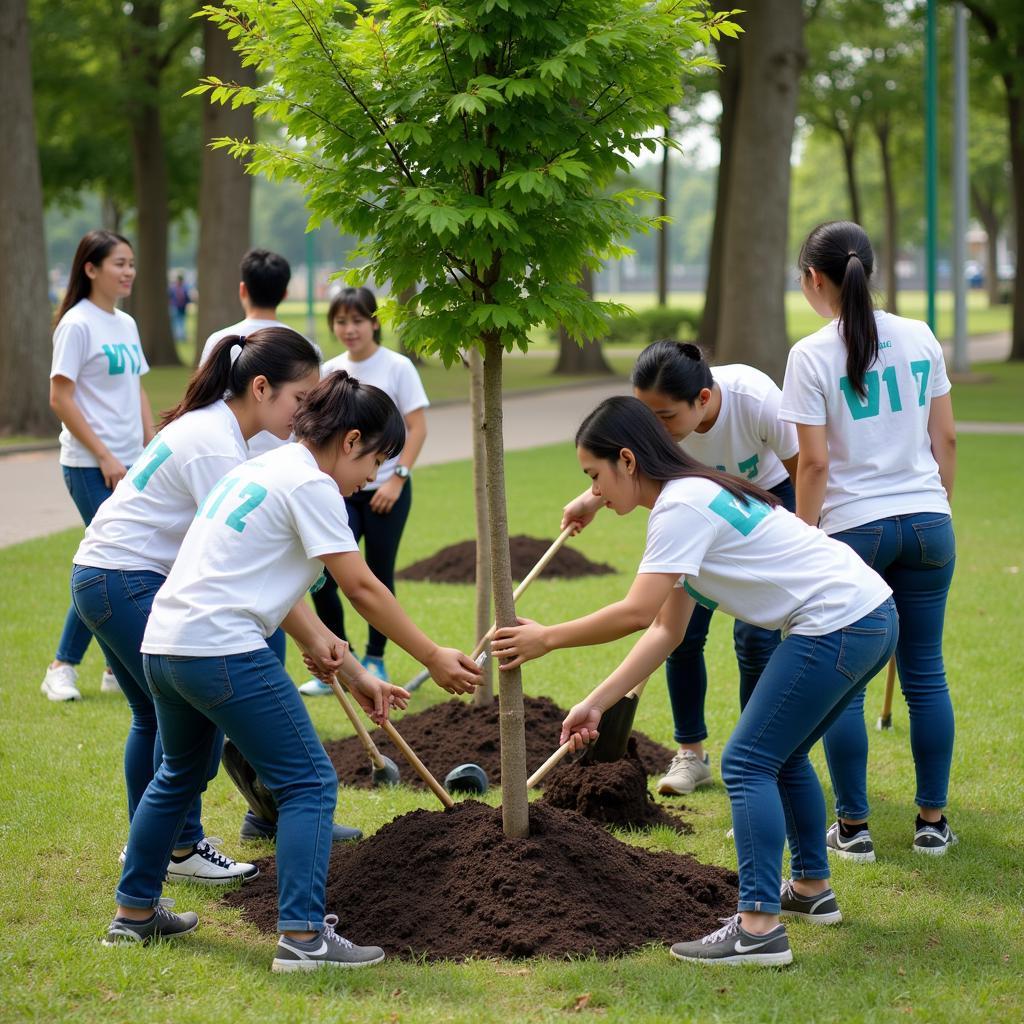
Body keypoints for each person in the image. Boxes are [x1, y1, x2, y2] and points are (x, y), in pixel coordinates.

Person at [492, 396, 896, 966]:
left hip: (838, 623)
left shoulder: (682, 507)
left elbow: (634, 612)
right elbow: (664, 631)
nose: (596, 491)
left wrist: (547, 637)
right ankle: (811, 889)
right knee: (783, 757)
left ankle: (757, 930)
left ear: (628, 461)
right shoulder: (695, 493)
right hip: (869, 616)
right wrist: (596, 703)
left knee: (746, 762)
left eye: (595, 476)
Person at [103, 371, 480, 969]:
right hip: (222, 648)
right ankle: (304, 939)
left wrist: (360, 676)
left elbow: (284, 595)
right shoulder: (314, 486)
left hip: (165, 644)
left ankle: (134, 915)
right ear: (351, 440)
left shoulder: (260, 468)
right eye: (377, 460)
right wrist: (432, 656)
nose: (371, 479)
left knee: (175, 773)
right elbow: (360, 586)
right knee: (309, 783)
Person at [72, 327, 321, 884]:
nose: (305, 417)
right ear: (261, 387)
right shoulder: (215, 441)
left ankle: (163, 851)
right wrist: (315, 636)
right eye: (301, 400)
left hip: (101, 577)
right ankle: (178, 849)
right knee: (194, 727)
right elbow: (234, 553)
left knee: (151, 718)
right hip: (124, 579)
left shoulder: (216, 428)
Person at [781, 220, 958, 859]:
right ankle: (932, 822)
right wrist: (937, 508)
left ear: (814, 279)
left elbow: (816, 466)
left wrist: (803, 541)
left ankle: (853, 830)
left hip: (853, 532)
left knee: (846, 685)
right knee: (926, 675)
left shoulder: (809, 355)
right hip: (928, 524)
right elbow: (947, 442)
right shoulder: (920, 337)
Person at [561, 341, 799, 796]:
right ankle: (691, 754)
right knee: (681, 634)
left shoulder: (755, 399)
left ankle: (754, 762)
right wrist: (594, 497)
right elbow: (631, 463)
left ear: (703, 400)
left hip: (763, 505)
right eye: (646, 417)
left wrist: (802, 543)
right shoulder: (664, 447)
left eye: (665, 417)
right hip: (695, 511)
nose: (656, 429)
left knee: (754, 637)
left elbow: (805, 467)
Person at [43, 230, 154, 702]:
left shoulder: (124, 324)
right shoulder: (78, 323)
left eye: (131, 263)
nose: (128, 271)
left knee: (120, 560)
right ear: (91, 268)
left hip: (130, 464)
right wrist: (106, 455)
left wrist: (152, 448)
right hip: (91, 465)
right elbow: (59, 397)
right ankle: (61, 666)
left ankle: (114, 665)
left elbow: (138, 389)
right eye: (119, 263)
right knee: (108, 561)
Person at [301, 287, 428, 691]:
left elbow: (417, 427)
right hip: (339, 489)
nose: (349, 329)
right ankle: (340, 656)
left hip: (388, 488)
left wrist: (396, 478)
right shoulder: (331, 372)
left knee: (377, 574)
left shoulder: (397, 367)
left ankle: (375, 659)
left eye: (357, 320)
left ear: (375, 321)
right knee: (323, 574)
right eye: (341, 321)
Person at [168, 274, 191, 342]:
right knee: (178, 322)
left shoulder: (174, 288)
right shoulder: (183, 288)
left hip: (179, 308)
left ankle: (179, 336)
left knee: (179, 322)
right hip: (178, 307)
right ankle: (179, 336)